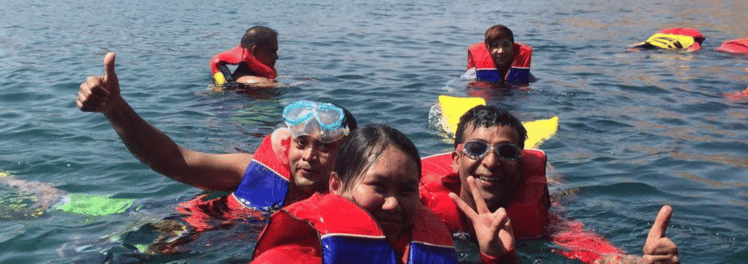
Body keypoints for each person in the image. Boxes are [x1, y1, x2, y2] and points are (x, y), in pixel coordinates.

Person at [77, 53, 356, 224]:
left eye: (324, 146)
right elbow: (173, 160)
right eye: (302, 142)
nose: (308, 155)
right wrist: (115, 109)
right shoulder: (252, 169)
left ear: (347, 157)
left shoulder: (355, 201)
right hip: (174, 227)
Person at [420, 105, 680, 264]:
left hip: (541, 199)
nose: (491, 161)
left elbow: (596, 252)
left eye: (507, 152)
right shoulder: (420, 207)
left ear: (520, 164)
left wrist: (644, 262)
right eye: (476, 149)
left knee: (560, 196)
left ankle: (551, 178)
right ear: (455, 160)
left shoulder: (544, 221)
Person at [250, 124, 463, 264]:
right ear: (335, 185)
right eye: (378, 186)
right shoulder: (289, 257)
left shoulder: (429, 248)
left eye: (407, 190)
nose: (392, 204)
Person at [211, 26, 279, 86]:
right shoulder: (263, 83)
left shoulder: (238, 77)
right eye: (272, 52)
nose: (276, 57)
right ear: (254, 51)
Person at [466, 25, 532, 85]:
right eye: (495, 46)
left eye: (506, 45)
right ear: (488, 49)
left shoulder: (524, 74)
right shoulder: (474, 74)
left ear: (513, 48)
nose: (501, 51)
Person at [631, 28, 704, 52]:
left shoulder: (661, 34)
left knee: (642, 48)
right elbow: (693, 49)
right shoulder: (692, 39)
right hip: (662, 48)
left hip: (652, 43)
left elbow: (645, 42)